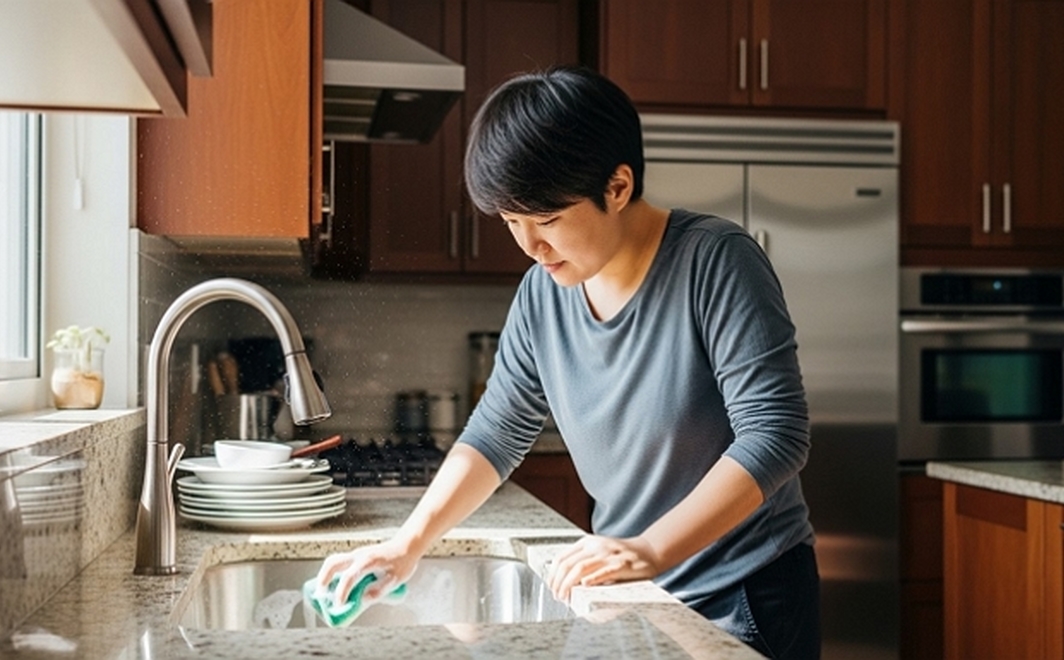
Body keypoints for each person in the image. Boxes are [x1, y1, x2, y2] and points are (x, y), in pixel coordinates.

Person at [315, 65, 820, 659]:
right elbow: (496, 433)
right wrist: (408, 543)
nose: (529, 245)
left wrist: (651, 548)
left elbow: (775, 436)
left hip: (744, 595)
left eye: (547, 220)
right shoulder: (542, 294)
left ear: (618, 186)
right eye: (511, 222)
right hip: (633, 588)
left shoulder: (716, 262)